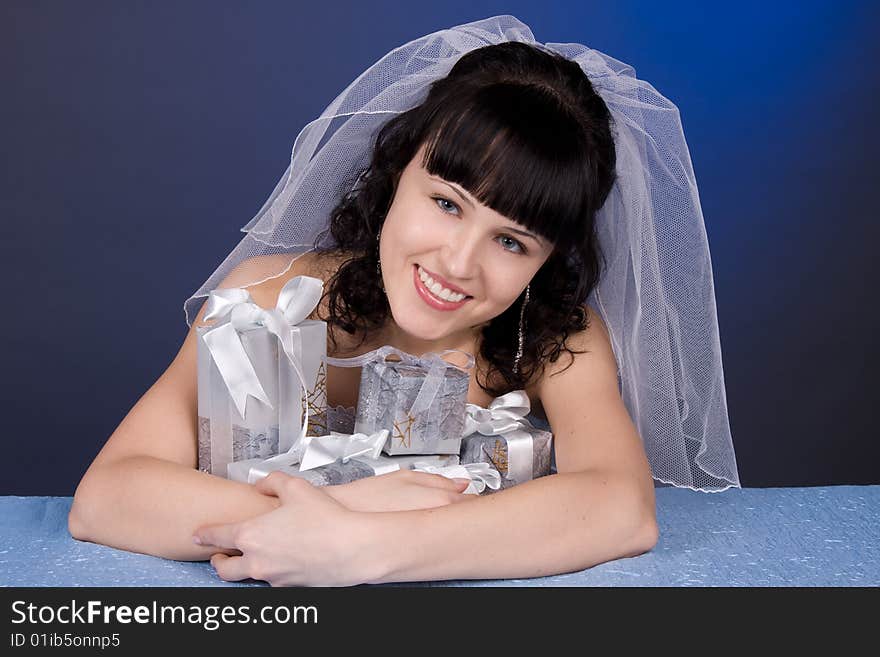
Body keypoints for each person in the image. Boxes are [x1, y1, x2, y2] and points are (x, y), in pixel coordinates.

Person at [68, 16, 739, 586]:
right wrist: (344, 500)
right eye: (447, 203)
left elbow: (623, 507)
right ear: (395, 176)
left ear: (547, 261)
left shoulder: (558, 338)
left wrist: (362, 546)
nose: (457, 263)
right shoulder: (268, 295)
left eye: (512, 242)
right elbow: (106, 496)